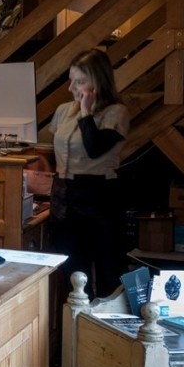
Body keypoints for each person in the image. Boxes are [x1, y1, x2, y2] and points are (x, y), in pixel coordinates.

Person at [49, 48, 130, 300]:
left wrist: (86, 112)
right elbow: (57, 150)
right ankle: (71, 334)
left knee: (108, 274)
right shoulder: (63, 110)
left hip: (99, 199)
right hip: (65, 198)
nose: (72, 87)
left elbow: (94, 148)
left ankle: (107, 333)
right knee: (71, 273)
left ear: (98, 81)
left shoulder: (116, 112)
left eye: (80, 81)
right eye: (71, 79)